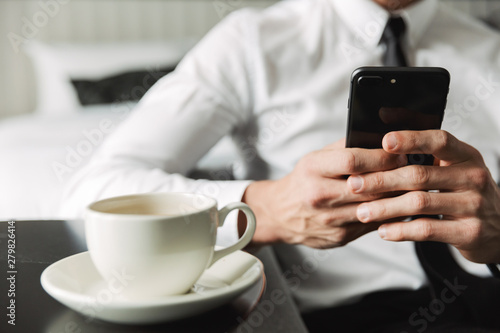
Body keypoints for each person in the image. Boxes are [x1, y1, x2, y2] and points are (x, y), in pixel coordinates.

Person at [61, 0, 500, 331]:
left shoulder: (490, 48)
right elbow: (92, 190)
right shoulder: (251, 42)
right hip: (342, 318)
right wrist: (266, 211)